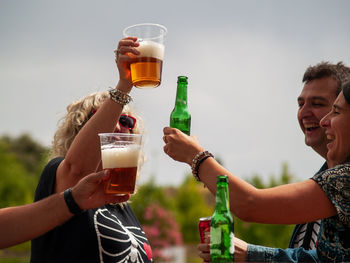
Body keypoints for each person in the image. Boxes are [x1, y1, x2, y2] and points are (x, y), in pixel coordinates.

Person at [163, 75, 350, 261]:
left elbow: (250, 204)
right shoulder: (332, 177)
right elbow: (322, 259)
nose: (325, 121)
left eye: (336, 111)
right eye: (300, 104)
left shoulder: (343, 180)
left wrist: (196, 157)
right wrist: (250, 254)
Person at [30, 37, 154, 263]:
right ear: (80, 132)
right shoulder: (60, 175)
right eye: (105, 118)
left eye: (125, 121)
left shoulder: (121, 205)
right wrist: (124, 85)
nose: (118, 126)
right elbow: (77, 169)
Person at [0, 170, 129, 249]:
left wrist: (74, 199)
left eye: (128, 123)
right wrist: (72, 200)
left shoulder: (124, 205)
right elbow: (76, 169)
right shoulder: (58, 168)